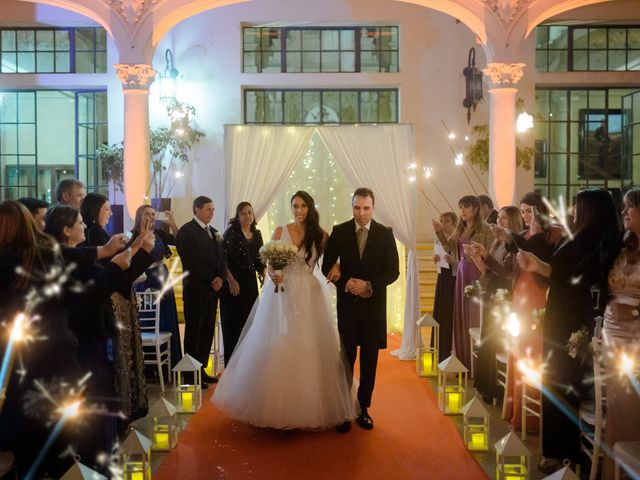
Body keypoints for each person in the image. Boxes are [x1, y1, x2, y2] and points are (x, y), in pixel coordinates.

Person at [213, 191, 359, 430]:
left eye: (302, 206)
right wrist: (272, 274)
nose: (298, 210)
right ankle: (275, 406)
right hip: (282, 293)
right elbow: (269, 263)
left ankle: (310, 406)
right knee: (278, 342)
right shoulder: (281, 230)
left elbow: (334, 259)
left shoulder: (321, 235)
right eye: (295, 206)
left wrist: (338, 267)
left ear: (310, 208)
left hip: (309, 294)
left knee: (309, 344)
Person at [517, 188, 622, 472]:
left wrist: (541, 266)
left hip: (574, 319)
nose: (573, 212)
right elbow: (564, 272)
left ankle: (563, 453)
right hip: (563, 315)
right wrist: (539, 265)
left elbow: (576, 276)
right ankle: (559, 450)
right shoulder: (585, 237)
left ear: (591, 209)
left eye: (578, 207)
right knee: (556, 380)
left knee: (562, 383)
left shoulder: (599, 238)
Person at [44, 205, 136, 473]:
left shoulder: (74, 257)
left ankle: (101, 460)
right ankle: (99, 465)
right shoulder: (66, 262)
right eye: (81, 223)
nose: (85, 226)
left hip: (90, 334)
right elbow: (96, 290)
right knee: (98, 405)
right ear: (67, 230)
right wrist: (116, 265)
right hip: (86, 338)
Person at [322, 187, 400, 432]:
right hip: (347, 307)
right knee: (345, 361)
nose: (362, 213)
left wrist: (368, 285)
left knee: (369, 361)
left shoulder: (385, 234)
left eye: (366, 208)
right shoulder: (340, 231)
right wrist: (346, 283)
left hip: (373, 309)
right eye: (357, 207)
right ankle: (343, 410)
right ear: (352, 206)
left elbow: (393, 271)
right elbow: (327, 266)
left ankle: (363, 408)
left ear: (373, 207)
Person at [81, 193, 154, 427]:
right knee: (120, 357)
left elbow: (124, 262)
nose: (110, 213)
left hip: (120, 294)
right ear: (94, 211)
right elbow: (118, 266)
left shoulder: (100, 234)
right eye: (106, 209)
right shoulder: (95, 234)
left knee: (127, 353)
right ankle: (122, 411)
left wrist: (140, 241)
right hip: (113, 298)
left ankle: (127, 407)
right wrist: (139, 242)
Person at [492, 191, 563, 428]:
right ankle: (516, 409)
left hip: (538, 295)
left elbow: (545, 263)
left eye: (529, 211)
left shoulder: (552, 235)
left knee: (533, 351)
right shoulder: (523, 234)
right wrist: (508, 239)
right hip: (520, 292)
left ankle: (533, 415)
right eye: (522, 211)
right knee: (518, 348)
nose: (524, 215)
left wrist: (513, 238)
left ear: (540, 211)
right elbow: (515, 263)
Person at [601, 188, 640, 480]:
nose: (624, 212)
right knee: (616, 403)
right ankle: (614, 468)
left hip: (637, 332)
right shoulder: (621, 246)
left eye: (630, 207)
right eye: (624, 208)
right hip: (612, 330)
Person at [432, 195, 493, 369]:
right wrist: (438, 231)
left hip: (477, 272)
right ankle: (462, 359)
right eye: (460, 208)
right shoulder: (460, 227)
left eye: (466, 207)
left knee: (474, 314)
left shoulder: (486, 229)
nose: (462, 211)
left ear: (475, 209)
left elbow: (489, 254)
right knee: (460, 316)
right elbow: (449, 247)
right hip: (462, 272)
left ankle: (478, 362)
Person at [469, 206, 523, 402]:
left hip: (503, 295)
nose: (499, 221)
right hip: (491, 291)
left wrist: (487, 256)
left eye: (504, 219)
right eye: (498, 217)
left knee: (494, 341)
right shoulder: (498, 242)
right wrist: (478, 257)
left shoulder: (514, 244)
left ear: (514, 221)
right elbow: (487, 270)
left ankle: (494, 388)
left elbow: (507, 272)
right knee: (487, 339)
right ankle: (484, 385)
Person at [176, 195, 226, 384]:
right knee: (194, 332)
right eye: (208, 209)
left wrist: (221, 276)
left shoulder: (214, 232)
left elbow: (222, 258)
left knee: (207, 331)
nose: (211, 213)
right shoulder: (186, 232)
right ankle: (189, 374)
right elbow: (190, 261)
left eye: (213, 209)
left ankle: (202, 369)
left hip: (213, 292)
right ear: (196, 209)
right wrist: (211, 278)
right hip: (196, 290)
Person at [131, 205, 182, 366]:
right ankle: (148, 366)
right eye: (148, 213)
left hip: (161, 279)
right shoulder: (132, 236)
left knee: (165, 316)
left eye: (153, 214)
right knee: (146, 319)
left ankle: (169, 363)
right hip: (143, 279)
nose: (151, 216)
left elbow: (179, 240)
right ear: (139, 215)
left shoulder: (159, 233)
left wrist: (172, 222)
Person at [220, 202, 265, 365]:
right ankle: (232, 364)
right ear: (238, 216)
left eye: (249, 213)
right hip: (232, 282)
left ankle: (248, 363)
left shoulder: (257, 234)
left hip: (249, 283)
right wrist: (231, 280)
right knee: (234, 324)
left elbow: (259, 259)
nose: (247, 216)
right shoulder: (231, 233)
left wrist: (264, 272)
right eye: (243, 213)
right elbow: (222, 260)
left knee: (250, 321)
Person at [431, 211, 458, 361]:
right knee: (440, 312)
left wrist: (452, 259)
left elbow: (458, 258)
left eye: (447, 221)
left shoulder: (455, 238)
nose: (443, 224)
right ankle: (438, 349)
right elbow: (437, 256)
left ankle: (448, 349)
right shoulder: (438, 239)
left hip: (452, 278)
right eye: (442, 221)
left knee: (449, 313)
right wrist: (435, 259)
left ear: (454, 223)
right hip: (442, 276)